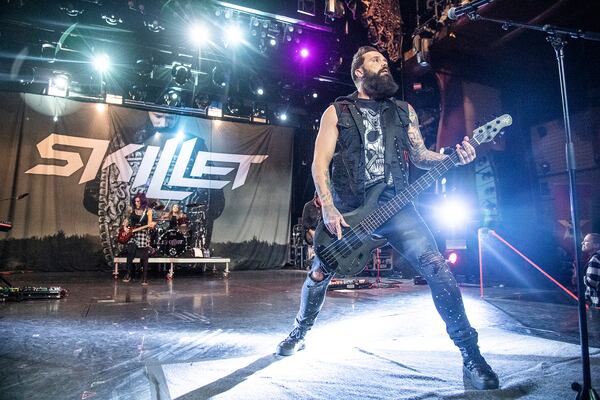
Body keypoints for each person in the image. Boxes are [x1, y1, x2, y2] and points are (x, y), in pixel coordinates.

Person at [275, 46, 499, 390]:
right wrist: (329, 206)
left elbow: (422, 156)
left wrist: (453, 156)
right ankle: (300, 330)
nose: (385, 64)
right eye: (377, 60)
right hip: (350, 211)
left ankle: (471, 355)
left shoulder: (403, 111)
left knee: (437, 268)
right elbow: (320, 164)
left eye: (385, 60)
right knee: (320, 272)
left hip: (398, 209)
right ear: (358, 72)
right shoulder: (337, 112)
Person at [122, 192, 155, 285]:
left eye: (138, 201)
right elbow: (126, 220)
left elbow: (150, 225)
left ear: (143, 202)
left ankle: (144, 278)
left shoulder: (148, 211)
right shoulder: (132, 210)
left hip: (143, 235)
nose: (137, 203)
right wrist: (125, 227)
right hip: (132, 235)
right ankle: (128, 274)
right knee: (130, 254)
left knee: (144, 257)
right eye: (135, 201)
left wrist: (151, 226)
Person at [582, 233, 600, 308]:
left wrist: (579, 278)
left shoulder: (595, 258)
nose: (582, 243)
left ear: (596, 245)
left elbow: (592, 281)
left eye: (586, 241)